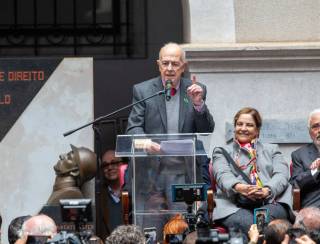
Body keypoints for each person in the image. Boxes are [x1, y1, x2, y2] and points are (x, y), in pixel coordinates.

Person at [125, 42, 214, 239]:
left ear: (184, 66)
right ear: (158, 65)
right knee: (150, 231)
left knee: (180, 228)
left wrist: (198, 104)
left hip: (184, 171)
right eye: (165, 63)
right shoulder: (143, 90)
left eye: (175, 63)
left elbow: (206, 129)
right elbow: (133, 127)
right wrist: (145, 142)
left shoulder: (195, 90)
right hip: (149, 173)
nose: (170, 68)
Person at [212, 107, 292, 239]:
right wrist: (239, 187)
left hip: (270, 201)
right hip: (233, 204)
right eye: (239, 124)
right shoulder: (221, 151)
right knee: (248, 224)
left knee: (263, 223)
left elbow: (282, 174)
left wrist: (267, 190)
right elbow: (222, 174)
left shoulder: (272, 149)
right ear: (235, 126)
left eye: (249, 125)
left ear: (257, 130)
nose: (243, 128)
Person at [291, 109, 320, 208]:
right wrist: (316, 170)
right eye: (316, 126)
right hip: (314, 207)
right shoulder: (299, 155)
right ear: (310, 132)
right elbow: (296, 184)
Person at [98, 149, 127, 240]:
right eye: (105, 165)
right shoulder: (98, 196)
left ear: (123, 165)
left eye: (114, 163)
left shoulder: (131, 192)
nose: (109, 167)